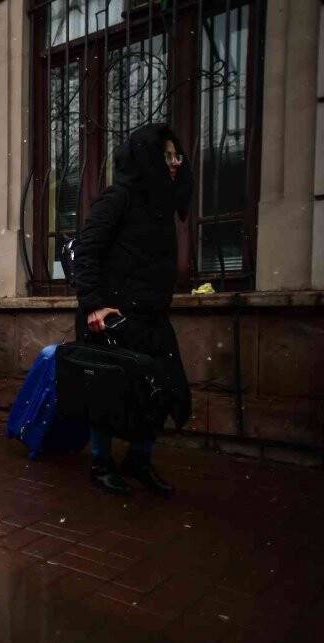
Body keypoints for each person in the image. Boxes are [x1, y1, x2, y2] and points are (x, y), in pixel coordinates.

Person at [73, 123, 193, 497]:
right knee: (108, 391)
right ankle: (101, 462)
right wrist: (93, 305)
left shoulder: (161, 207)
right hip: (112, 316)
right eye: (167, 155)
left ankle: (138, 460)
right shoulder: (118, 198)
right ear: (147, 157)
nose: (175, 163)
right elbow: (86, 252)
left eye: (178, 156)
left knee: (163, 391)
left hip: (151, 317)